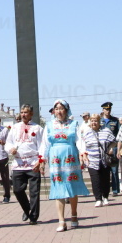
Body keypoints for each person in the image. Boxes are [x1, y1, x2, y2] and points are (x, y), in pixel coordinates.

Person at [40, 99, 90, 232]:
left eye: (61, 108)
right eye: (56, 109)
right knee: (58, 187)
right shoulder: (49, 125)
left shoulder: (74, 124)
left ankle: (74, 215)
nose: (59, 111)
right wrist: (41, 160)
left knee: (71, 185)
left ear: (66, 110)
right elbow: (45, 144)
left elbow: (79, 140)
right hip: (56, 158)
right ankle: (61, 221)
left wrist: (83, 152)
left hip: (70, 156)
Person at [5, 104, 44, 225]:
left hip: (33, 163)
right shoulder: (15, 127)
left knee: (34, 192)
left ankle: (33, 217)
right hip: (18, 163)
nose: (23, 114)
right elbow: (8, 143)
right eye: (22, 112)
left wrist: (41, 161)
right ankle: (27, 210)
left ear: (31, 114)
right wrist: (10, 149)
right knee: (17, 190)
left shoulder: (37, 128)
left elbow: (42, 146)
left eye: (26, 112)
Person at [81, 113, 115, 207]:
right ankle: (98, 199)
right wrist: (84, 155)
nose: (94, 123)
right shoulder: (87, 132)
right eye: (92, 121)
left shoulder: (106, 130)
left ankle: (105, 197)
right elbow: (83, 145)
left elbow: (114, 142)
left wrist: (111, 148)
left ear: (99, 122)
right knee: (95, 180)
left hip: (104, 160)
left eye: (95, 121)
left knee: (105, 179)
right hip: (92, 160)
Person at [100, 101, 121, 196]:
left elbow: (119, 135)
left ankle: (115, 190)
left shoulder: (115, 121)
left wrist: (116, 147)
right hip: (102, 148)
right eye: (106, 109)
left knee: (114, 170)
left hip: (113, 147)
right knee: (103, 170)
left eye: (109, 109)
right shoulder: (99, 121)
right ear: (103, 110)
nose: (108, 111)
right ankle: (104, 190)